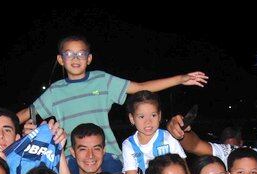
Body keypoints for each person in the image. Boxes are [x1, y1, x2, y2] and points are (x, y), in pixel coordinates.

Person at [17, 35, 208, 162]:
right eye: (69, 54)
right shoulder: (54, 91)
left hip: (108, 154)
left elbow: (139, 88)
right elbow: (27, 114)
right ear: (60, 59)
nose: (75, 58)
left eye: (81, 53)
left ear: (89, 58)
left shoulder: (102, 80)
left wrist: (180, 79)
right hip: (71, 157)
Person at [121, 91, 187, 174]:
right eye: (141, 117)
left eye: (153, 115)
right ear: (132, 118)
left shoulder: (168, 138)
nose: (148, 121)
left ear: (159, 116)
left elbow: (185, 169)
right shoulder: (128, 145)